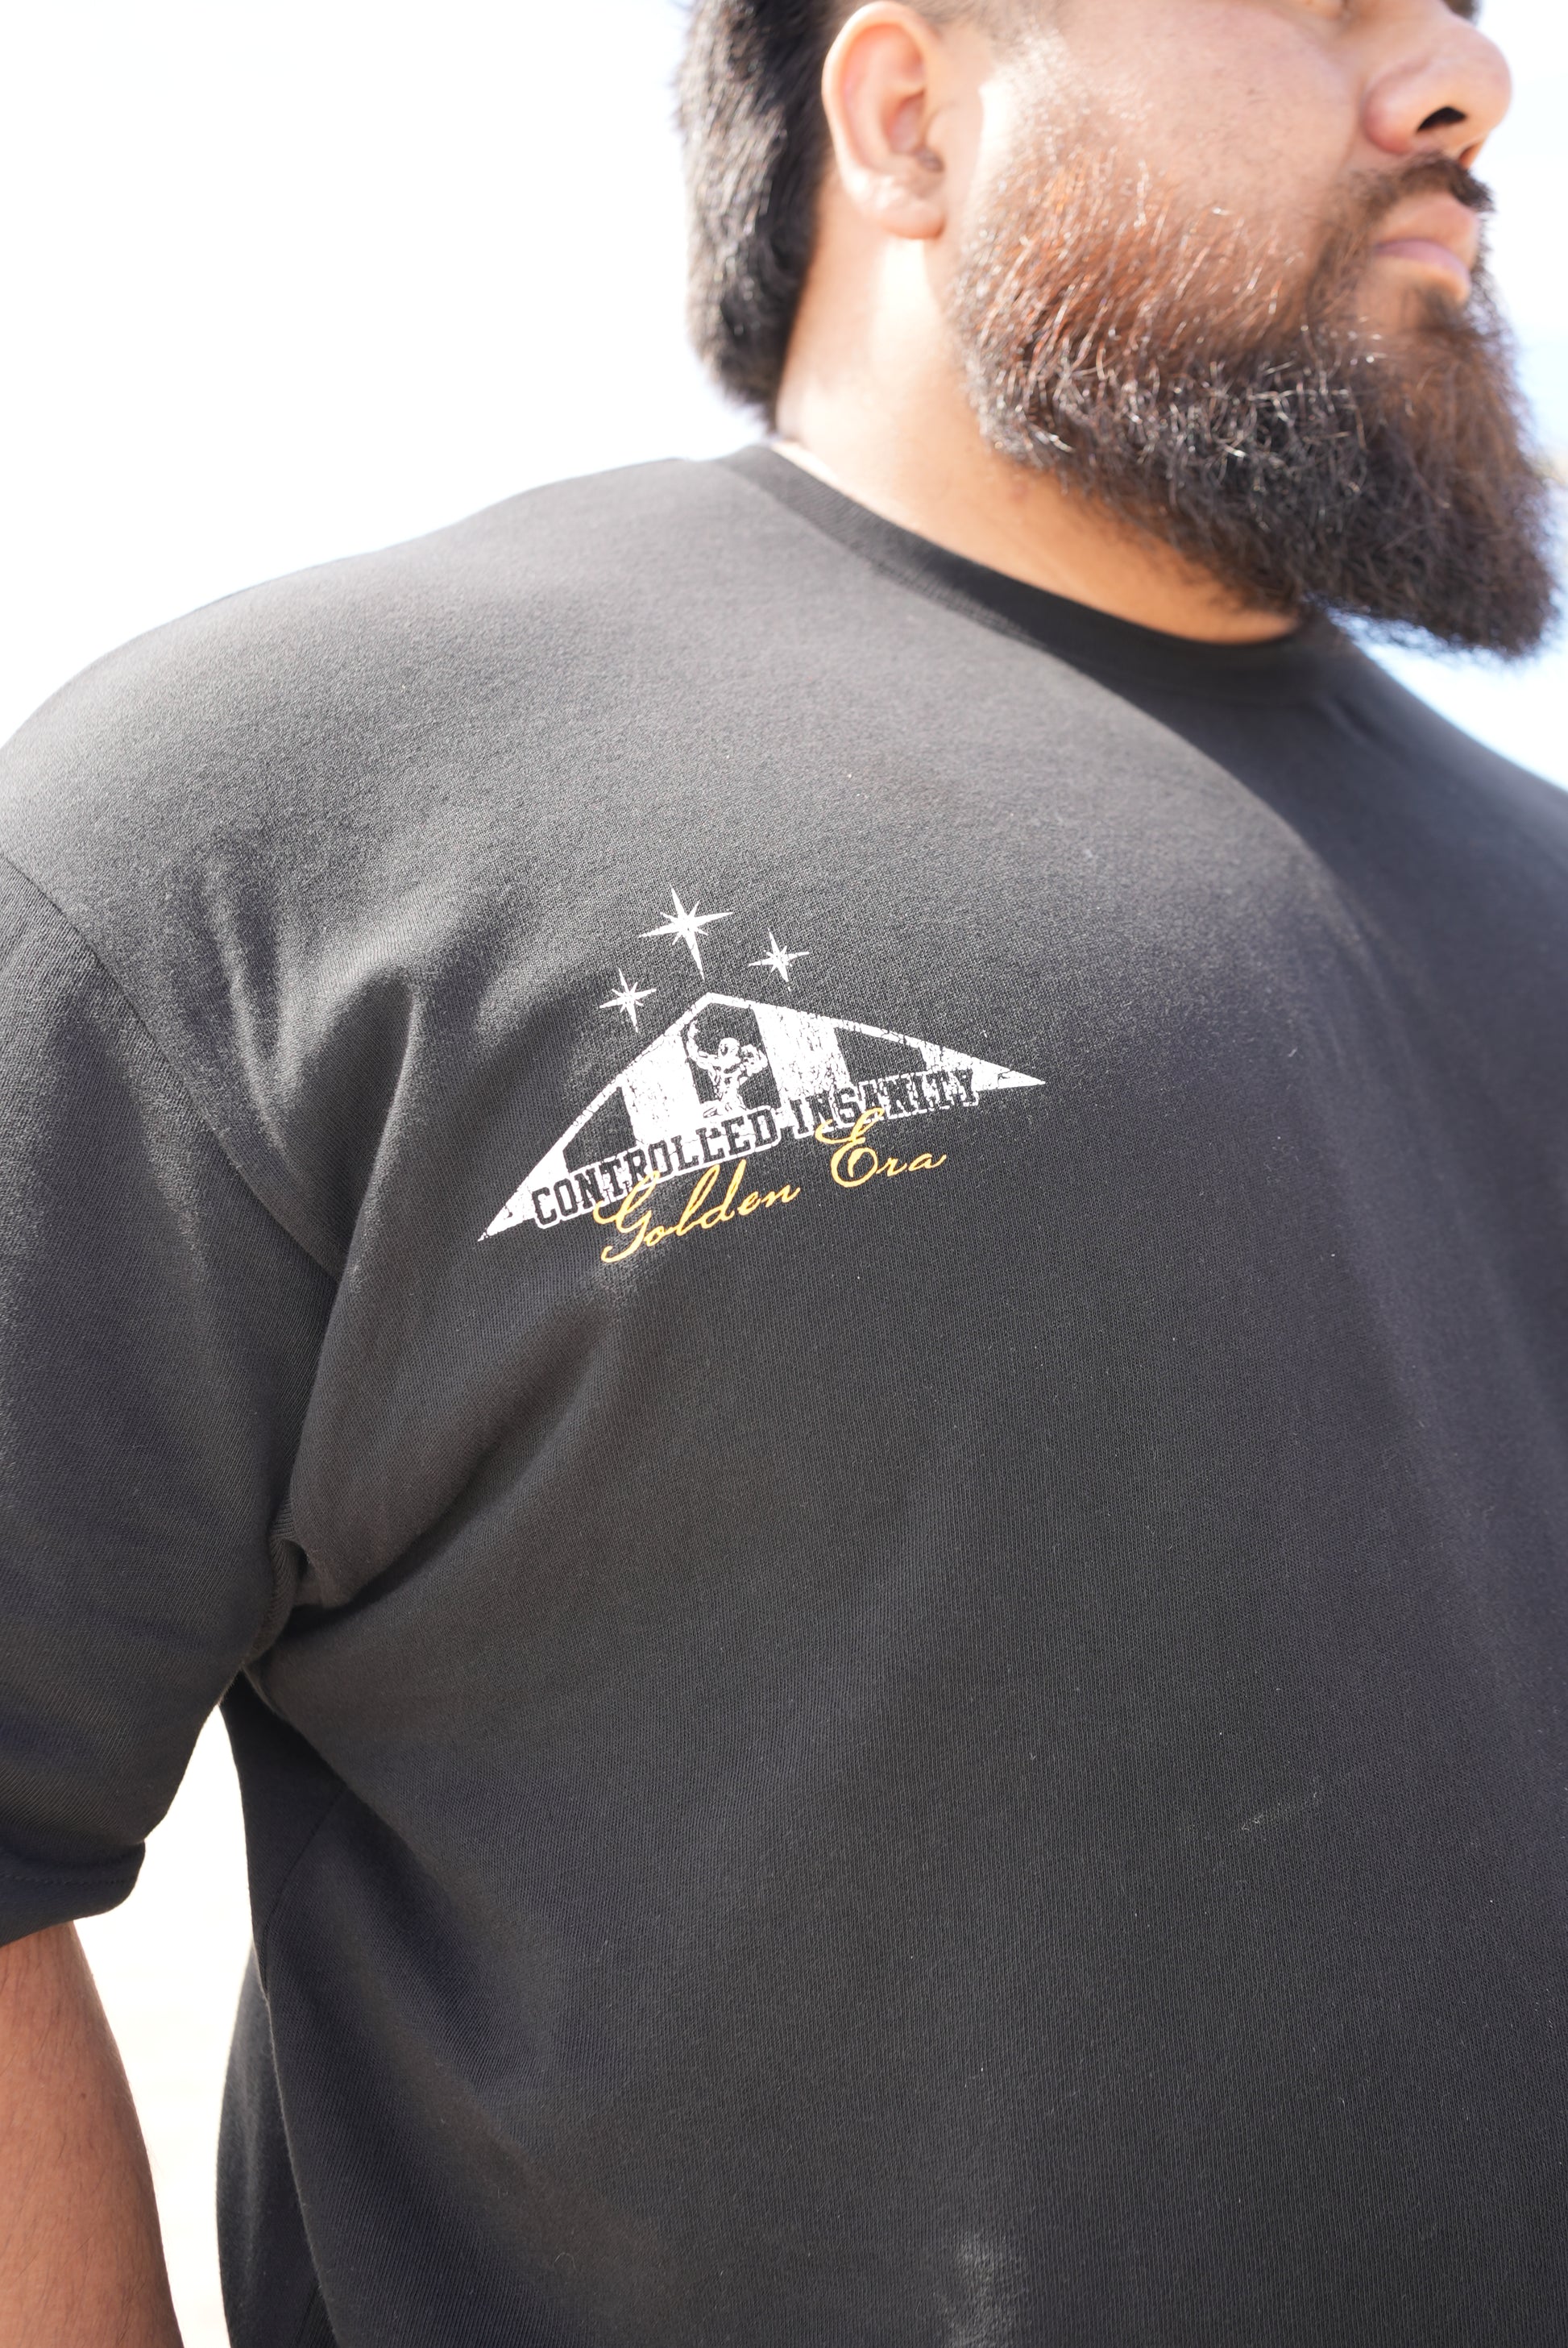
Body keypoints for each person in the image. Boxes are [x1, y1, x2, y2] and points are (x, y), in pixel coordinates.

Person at [1, 1, 1563, 2340]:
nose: (1461, 80)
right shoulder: (292, 810)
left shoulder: (1542, 895)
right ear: (907, 113)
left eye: (1457, 11)